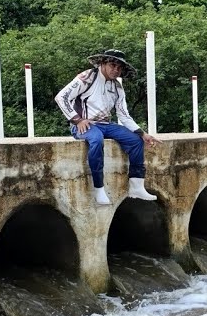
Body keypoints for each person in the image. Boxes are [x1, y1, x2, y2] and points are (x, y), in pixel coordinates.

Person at [55, 49, 161, 205]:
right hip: (85, 124)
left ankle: (136, 186)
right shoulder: (87, 77)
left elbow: (123, 114)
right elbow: (61, 97)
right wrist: (77, 120)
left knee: (135, 140)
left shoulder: (117, 87)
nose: (116, 70)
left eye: (119, 68)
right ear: (103, 63)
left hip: (106, 124)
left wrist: (142, 133)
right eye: (113, 65)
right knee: (96, 140)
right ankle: (99, 188)